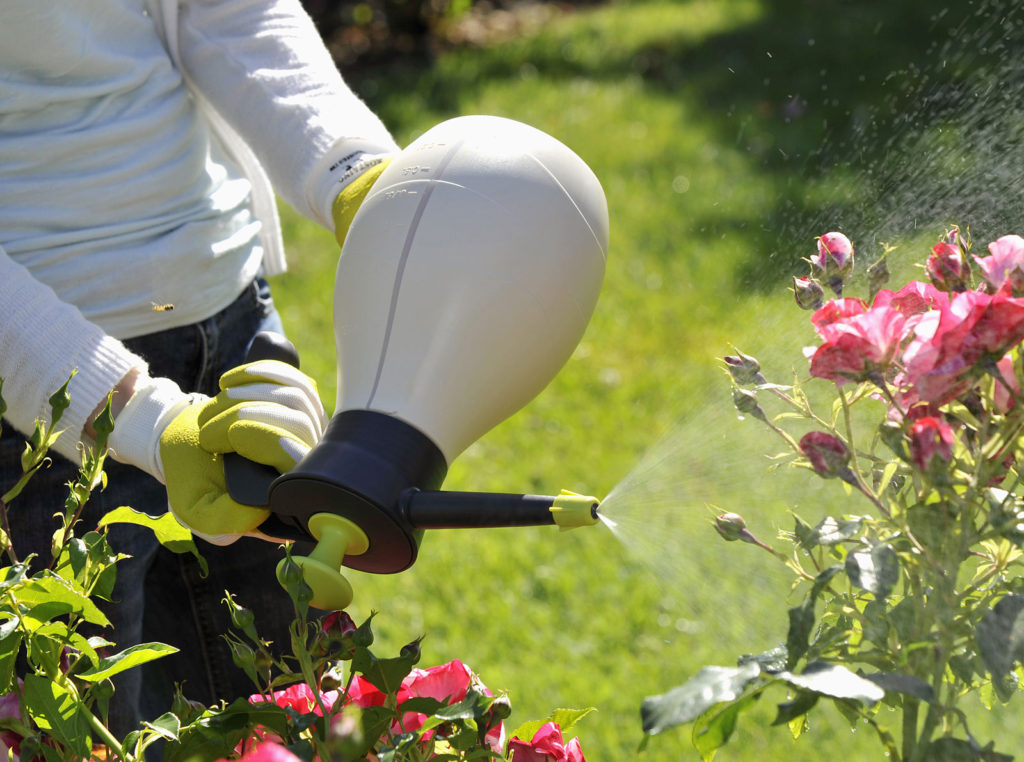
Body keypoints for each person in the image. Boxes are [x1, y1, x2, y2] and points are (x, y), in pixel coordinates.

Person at [0, 0, 398, 736]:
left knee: (292, 715)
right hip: (37, 418)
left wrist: (352, 170)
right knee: (96, 738)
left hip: (231, 327)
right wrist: (147, 422)